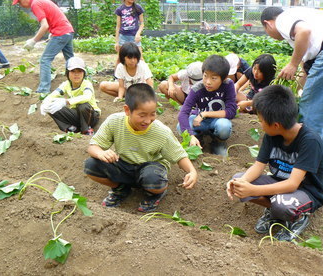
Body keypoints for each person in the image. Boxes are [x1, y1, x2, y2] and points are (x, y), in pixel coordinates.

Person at [260, 7, 323, 172]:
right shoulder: (312, 16)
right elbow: (308, 71)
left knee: (311, 109)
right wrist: (294, 95)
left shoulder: (283, 19)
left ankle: (308, 163)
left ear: (267, 24)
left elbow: (304, 31)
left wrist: (292, 64)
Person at [226, 85, 323, 242]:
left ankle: (298, 218)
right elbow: (258, 166)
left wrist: (253, 189)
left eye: (260, 121)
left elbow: (293, 184)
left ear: (275, 125)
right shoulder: (271, 135)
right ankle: (275, 213)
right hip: (280, 183)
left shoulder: (310, 141)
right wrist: (240, 183)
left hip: (307, 191)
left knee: (281, 204)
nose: (259, 124)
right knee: (239, 180)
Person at [84, 83, 198, 212]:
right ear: (127, 110)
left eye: (152, 114)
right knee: (91, 165)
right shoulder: (114, 121)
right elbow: (93, 146)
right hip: (125, 164)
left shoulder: (161, 131)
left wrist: (191, 171)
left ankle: (154, 194)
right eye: (142, 115)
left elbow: (179, 155)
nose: (148, 120)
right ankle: (121, 189)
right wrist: (100, 153)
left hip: (150, 166)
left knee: (153, 179)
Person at [177, 55, 237, 156]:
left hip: (217, 121)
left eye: (214, 78)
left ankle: (217, 142)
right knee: (180, 127)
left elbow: (231, 111)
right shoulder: (197, 89)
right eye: (205, 76)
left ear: (223, 78)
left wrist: (204, 114)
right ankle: (198, 139)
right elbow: (183, 113)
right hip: (199, 123)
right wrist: (190, 135)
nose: (208, 82)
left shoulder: (228, 85)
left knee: (224, 126)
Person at [12, 0, 74, 94]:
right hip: (68, 31)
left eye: (19, 3)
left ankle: (44, 90)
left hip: (60, 33)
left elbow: (44, 25)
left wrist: (33, 41)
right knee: (71, 60)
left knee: (45, 60)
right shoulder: (41, 1)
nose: (20, 5)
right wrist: (52, 32)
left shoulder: (35, 4)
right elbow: (55, 16)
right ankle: (81, 83)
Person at [40, 56, 100, 135]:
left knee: (82, 105)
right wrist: (45, 103)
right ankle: (71, 128)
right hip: (76, 115)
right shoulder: (66, 84)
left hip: (91, 116)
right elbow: (53, 95)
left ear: (84, 73)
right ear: (67, 73)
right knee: (51, 106)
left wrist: (66, 101)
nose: (76, 74)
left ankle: (87, 129)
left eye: (79, 71)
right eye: (73, 71)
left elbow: (86, 97)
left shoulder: (86, 84)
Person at [114, 0, 144, 66]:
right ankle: (116, 75)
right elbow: (118, 26)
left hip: (134, 37)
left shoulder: (138, 8)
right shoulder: (120, 9)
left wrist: (138, 34)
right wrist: (117, 42)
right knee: (119, 59)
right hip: (123, 37)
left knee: (140, 58)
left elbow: (142, 24)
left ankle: (146, 76)